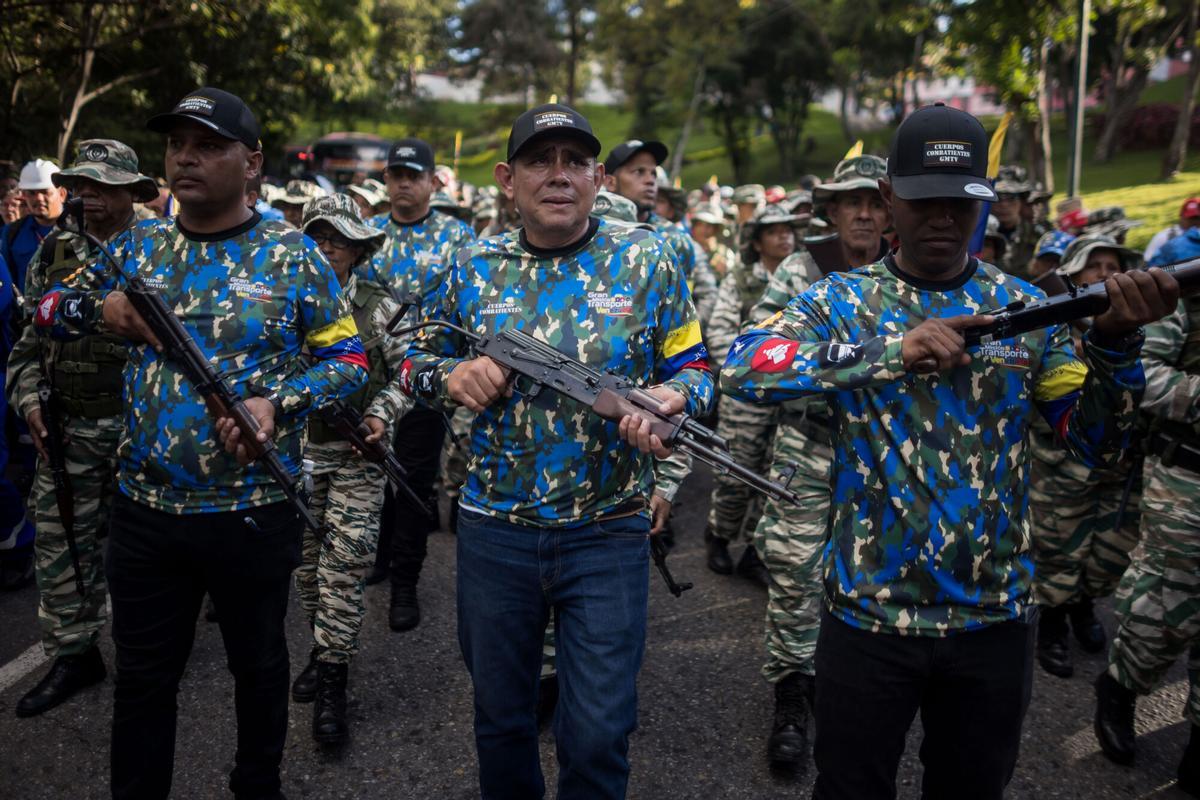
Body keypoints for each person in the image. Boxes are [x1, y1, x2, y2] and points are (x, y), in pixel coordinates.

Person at [720, 103, 1178, 800]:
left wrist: (1116, 347)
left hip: (993, 619)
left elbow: (1097, 443)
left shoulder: (1024, 311)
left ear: (985, 202)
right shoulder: (840, 301)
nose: (942, 218)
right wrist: (889, 352)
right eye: (924, 200)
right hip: (867, 616)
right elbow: (746, 365)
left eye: (960, 203)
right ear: (888, 200)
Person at [36, 87, 367, 799]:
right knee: (144, 680)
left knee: (258, 667)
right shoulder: (138, 244)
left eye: (209, 146)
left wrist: (275, 403)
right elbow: (49, 307)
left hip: (253, 510)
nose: (186, 157)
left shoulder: (292, 255)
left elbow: (348, 360)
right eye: (177, 145)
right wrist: (103, 308)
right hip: (144, 512)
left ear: (251, 164)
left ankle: (257, 784)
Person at [402, 102, 713, 800]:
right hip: (495, 531)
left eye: (576, 161)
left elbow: (695, 370)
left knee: (599, 732)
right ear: (507, 179)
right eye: (540, 160)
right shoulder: (470, 266)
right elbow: (407, 359)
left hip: (608, 530)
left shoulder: (648, 261)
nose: (559, 175)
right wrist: (448, 376)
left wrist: (673, 398)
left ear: (598, 179)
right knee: (501, 721)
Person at [746, 153, 892, 776]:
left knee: (875, 577)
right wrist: (853, 360)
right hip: (808, 446)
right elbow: (757, 353)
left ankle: (855, 691)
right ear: (831, 210)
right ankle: (792, 696)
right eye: (851, 201)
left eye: (875, 202)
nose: (864, 213)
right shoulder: (801, 270)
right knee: (794, 572)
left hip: (885, 455)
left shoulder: (907, 273)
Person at [7, 139, 156, 718]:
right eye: (80, 184)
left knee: (147, 555)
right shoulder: (55, 250)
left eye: (102, 185)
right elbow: (27, 343)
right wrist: (30, 402)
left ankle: (150, 655)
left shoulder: (163, 248)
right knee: (61, 546)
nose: (88, 195)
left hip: (143, 433)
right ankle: (75, 654)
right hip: (68, 429)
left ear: (132, 191)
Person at [289, 194, 411, 746]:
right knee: (307, 569)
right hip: (298, 453)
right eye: (317, 236)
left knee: (345, 564)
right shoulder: (283, 298)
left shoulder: (379, 306)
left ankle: (334, 678)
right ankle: (323, 648)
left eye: (338, 238)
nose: (327, 247)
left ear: (358, 248)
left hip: (360, 454)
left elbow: (409, 372)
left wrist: (381, 414)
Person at [1093, 225, 1200, 797]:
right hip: (1188, 484)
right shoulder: (1187, 283)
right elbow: (1142, 374)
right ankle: (1120, 686)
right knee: (1165, 612)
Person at [362, 137, 475, 632]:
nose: (404, 183)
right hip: (371, 380)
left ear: (433, 182)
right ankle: (381, 556)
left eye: (414, 175)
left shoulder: (456, 236)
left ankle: (405, 581)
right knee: (374, 474)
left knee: (412, 481)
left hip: (427, 378)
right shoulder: (369, 235)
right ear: (386, 180)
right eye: (397, 175)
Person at [1029, 235, 1146, 680]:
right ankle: (1053, 626)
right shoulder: (1051, 328)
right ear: (1072, 277)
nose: (1105, 273)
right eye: (1093, 266)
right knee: (1058, 555)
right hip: (1062, 471)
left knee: (1108, 555)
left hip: (1119, 472)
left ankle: (1083, 607)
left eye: (1112, 264)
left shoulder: (1137, 325)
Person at [703, 204, 801, 588]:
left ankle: (755, 551)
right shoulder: (741, 279)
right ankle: (718, 535)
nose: (784, 237)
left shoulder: (805, 276)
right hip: (746, 395)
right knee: (735, 472)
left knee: (775, 477)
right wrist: (748, 376)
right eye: (774, 231)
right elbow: (720, 333)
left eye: (788, 230)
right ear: (757, 241)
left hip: (788, 394)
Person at [603, 139, 717, 324]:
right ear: (609, 182)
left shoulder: (674, 240)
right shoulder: (588, 232)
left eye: (653, 173)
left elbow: (680, 311)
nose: (650, 180)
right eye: (638, 172)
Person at [688, 205, 737, 283]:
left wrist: (724, 271)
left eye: (709, 226)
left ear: (716, 229)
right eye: (700, 224)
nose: (704, 230)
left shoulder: (725, 254)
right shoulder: (685, 248)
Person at [1144, 197, 1200, 264]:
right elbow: (1148, 262)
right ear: (1181, 216)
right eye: (1191, 218)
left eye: (1198, 218)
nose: (1195, 221)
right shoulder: (1164, 237)